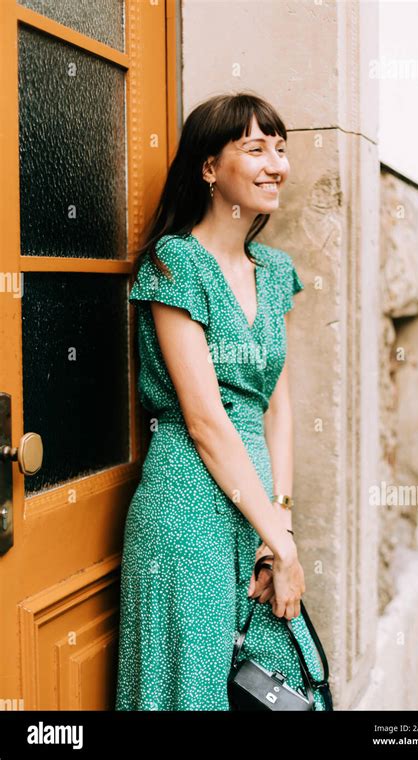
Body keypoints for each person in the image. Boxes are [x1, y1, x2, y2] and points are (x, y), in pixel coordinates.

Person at [115, 92, 327, 711]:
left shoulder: (273, 269)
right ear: (209, 168)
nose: (275, 164)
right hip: (187, 511)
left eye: (280, 149)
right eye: (255, 148)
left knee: (264, 690)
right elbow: (206, 421)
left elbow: (278, 408)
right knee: (189, 693)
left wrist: (276, 524)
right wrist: (283, 544)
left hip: (254, 511)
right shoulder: (177, 263)